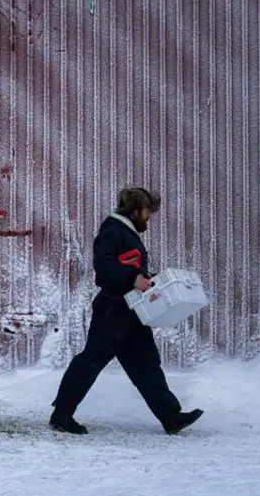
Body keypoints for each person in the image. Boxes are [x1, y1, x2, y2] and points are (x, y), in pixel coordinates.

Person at [49, 186, 203, 435]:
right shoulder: (112, 231)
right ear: (134, 212)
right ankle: (61, 415)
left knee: (147, 365)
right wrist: (133, 279)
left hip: (132, 313)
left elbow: (125, 267)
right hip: (113, 313)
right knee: (90, 362)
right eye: (146, 212)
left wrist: (145, 278)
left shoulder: (126, 232)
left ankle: (170, 416)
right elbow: (103, 268)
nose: (149, 218)